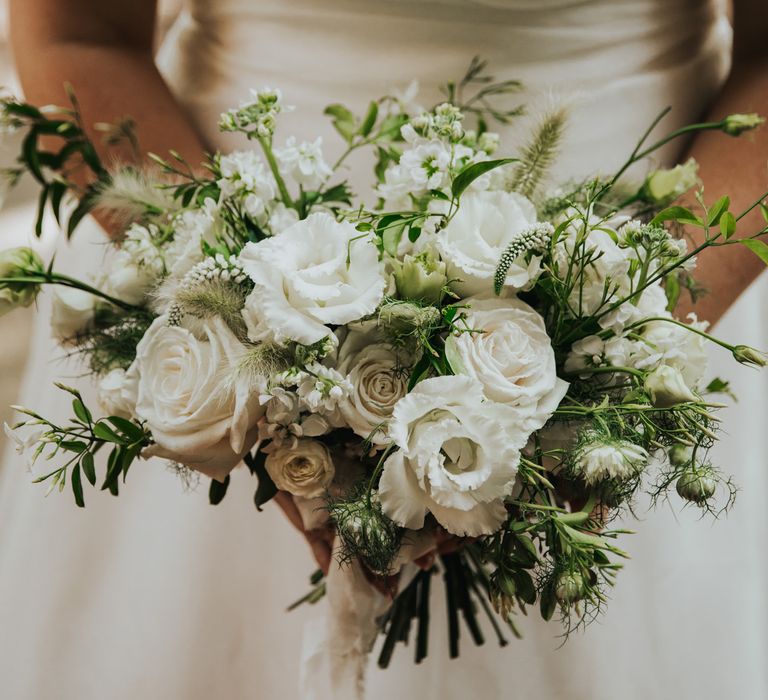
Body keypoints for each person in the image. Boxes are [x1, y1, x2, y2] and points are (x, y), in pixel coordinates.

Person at [0, 1, 766, 698]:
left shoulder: (626, 322)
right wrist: (256, 353)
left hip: (669, 240)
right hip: (215, 253)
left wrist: (618, 337)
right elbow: (75, 31)